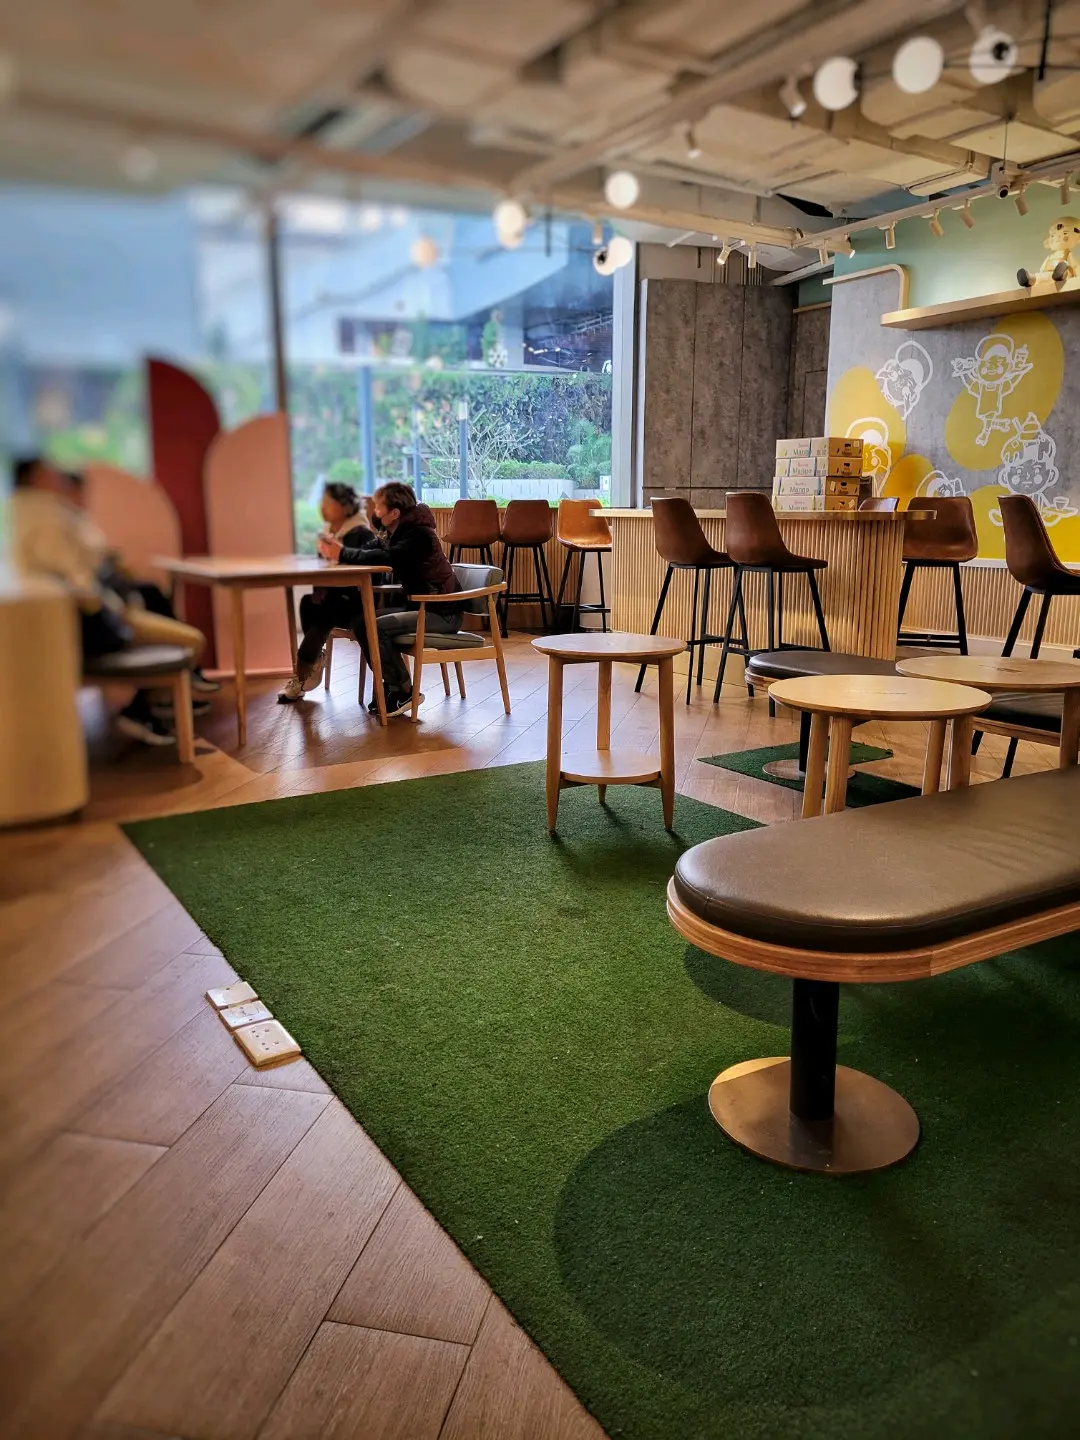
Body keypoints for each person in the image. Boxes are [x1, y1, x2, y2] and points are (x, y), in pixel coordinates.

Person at [9, 457, 209, 746]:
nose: (56, 478)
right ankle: (145, 706)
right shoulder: (46, 519)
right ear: (32, 480)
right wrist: (106, 602)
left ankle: (160, 700)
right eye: (47, 474)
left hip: (102, 608)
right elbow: (74, 576)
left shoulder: (47, 515)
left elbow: (84, 566)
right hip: (97, 614)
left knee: (155, 598)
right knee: (191, 641)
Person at [317, 482, 462, 718]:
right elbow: (371, 551)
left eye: (379, 507)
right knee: (362, 621)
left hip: (441, 613)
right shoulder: (397, 532)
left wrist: (342, 553)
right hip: (420, 607)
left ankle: (403, 690)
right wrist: (339, 551)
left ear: (394, 513)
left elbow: (388, 557)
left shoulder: (419, 535)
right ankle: (392, 685)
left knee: (374, 626)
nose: (374, 512)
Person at [278, 481, 378, 702]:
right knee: (308, 602)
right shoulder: (328, 534)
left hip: (356, 602)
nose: (322, 508)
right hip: (335, 598)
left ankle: (302, 674)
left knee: (325, 614)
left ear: (345, 506)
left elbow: (368, 574)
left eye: (328, 502)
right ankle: (314, 659)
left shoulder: (361, 533)